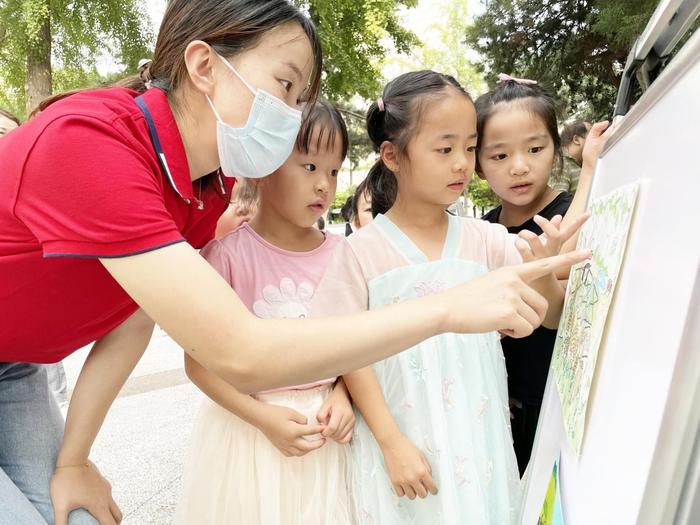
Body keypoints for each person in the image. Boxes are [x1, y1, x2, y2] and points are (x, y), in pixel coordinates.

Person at [0, 1, 591, 523]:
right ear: (205, 65)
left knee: (72, 511)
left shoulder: (202, 186)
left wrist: (75, 460)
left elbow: (134, 318)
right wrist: (446, 308)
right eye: (285, 86)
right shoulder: (90, 143)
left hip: (18, 366)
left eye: (300, 96)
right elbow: (238, 353)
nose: (291, 113)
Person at [311, 70, 591, 524]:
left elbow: (545, 319)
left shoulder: (488, 240)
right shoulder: (359, 253)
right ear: (392, 155)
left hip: (480, 445)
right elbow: (346, 352)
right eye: (444, 149)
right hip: (400, 443)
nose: (462, 163)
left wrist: (542, 275)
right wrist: (391, 442)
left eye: (468, 147)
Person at [176, 100, 355, 524]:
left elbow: (356, 345)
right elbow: (199, 365)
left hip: (327, 433)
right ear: (262, 166)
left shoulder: (344, 254)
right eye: (309, 167)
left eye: (333, 170)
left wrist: (344, 395)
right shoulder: (227, 257)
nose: (324, 185)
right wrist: (262, 419)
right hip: (250, 430)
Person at [476, 77, 601, 474]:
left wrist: (590, 174)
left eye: (535, 148)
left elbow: (565, 257)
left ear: (557, 151)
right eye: (499, 156)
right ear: (477, 164)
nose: (519, 166)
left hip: (556, 399)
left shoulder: (570, 209)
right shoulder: (485, 229)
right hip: (500, 398)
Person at [550, 119, 591, 194]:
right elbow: (559, 202)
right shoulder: (560, 162)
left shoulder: (575, 163)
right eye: (591, 134)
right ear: (576, 140)